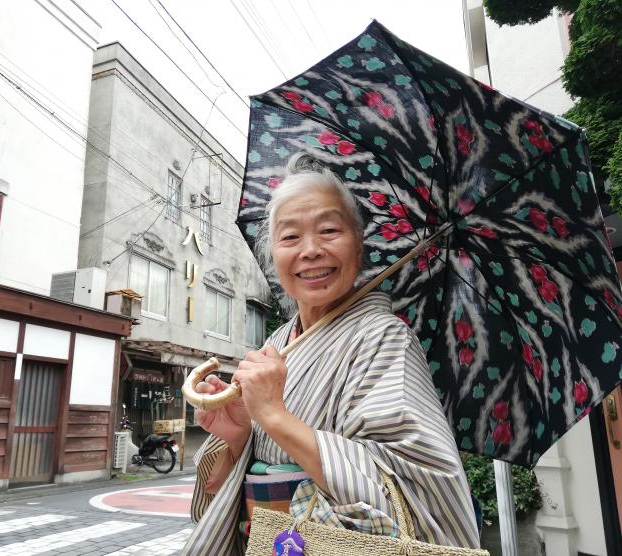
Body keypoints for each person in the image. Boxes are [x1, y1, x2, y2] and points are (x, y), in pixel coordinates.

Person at [182, 153, 481, 555]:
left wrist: (272, 415)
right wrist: (239, 435)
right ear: (272, 255)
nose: (310, 250)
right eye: (290, 237)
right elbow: (223, 493)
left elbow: (414, 487)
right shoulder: (280, 343)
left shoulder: (384, 338)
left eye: (328, 230)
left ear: (359, 247)